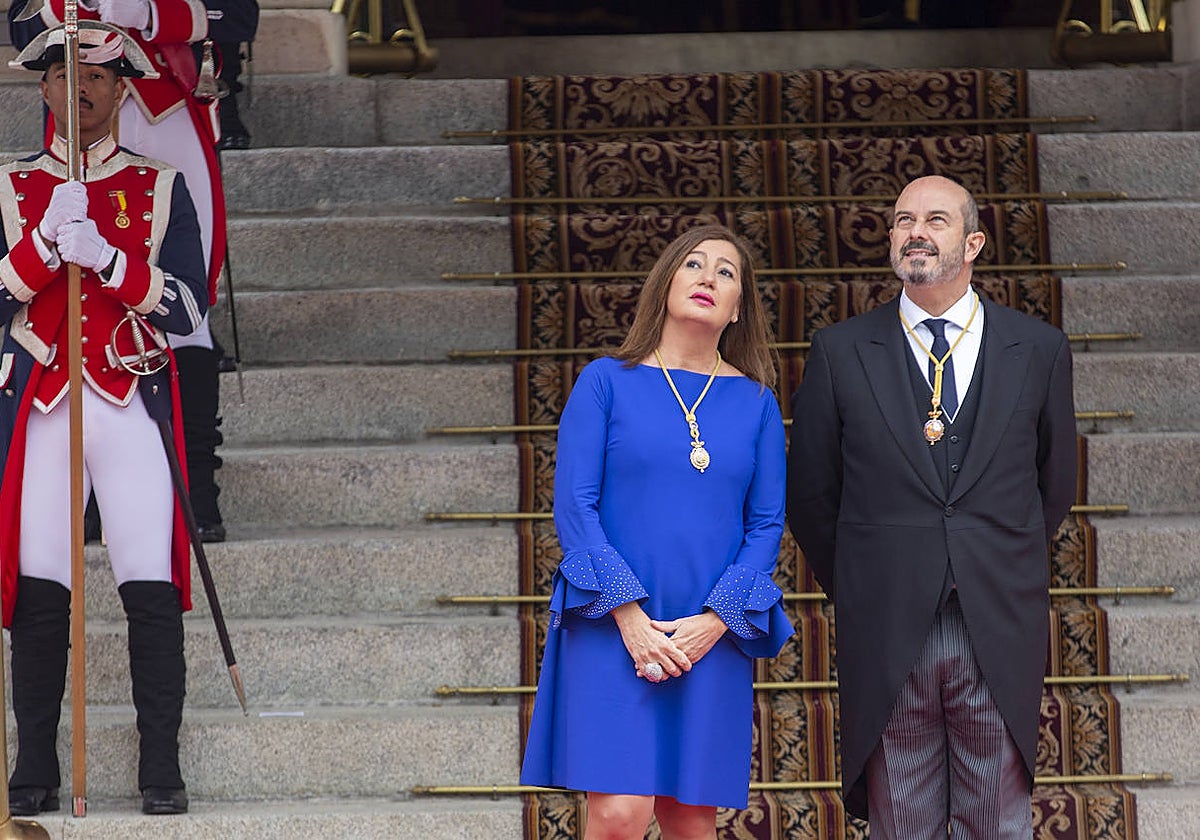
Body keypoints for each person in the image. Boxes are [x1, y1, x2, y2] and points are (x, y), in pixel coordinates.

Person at [786, 175, 1078, 838]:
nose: (915, 231)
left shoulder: (1037, 350)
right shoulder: (839, 351)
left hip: (996, 614)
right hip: (886, 617)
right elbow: (810, 493)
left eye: (936, 219)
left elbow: (1054, 483)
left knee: (998, 815)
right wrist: (865, 579)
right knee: (902, 815)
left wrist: (997, 560)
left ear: (973, 242)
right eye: (902, 220)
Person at [520, 224, 795, 839]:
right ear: (666, 282)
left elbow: (766, 524)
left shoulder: (756, 403)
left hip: (707, 629)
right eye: (693, 264)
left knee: (689, 818)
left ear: (738, 306)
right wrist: (630, 618)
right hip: (613, 622)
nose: (707, 277)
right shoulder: (605, 381)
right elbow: (576, 508)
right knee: (619, 813)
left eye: (726, 272)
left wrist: (716, 620)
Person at [0, 24, 207, 816]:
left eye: (96, 75)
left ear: (123, 91)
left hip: (128, 401)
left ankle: (162, 770)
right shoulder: (11, 188)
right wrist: (46, 249)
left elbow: (189, 306)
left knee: (148, 585)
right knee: (43, 589)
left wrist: (113, 262)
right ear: (43, 89)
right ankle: (35, 769)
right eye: (61, 74)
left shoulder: (161, 189)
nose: (79, 88)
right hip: (44, 403)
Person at [10, 0, 229, 542]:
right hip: (85, 110)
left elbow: (235, 15)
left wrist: (150, 12)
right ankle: (82, 495)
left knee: (185, 304)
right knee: (64, 287)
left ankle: (197, 488)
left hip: (168, 102)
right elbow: (21, 24)